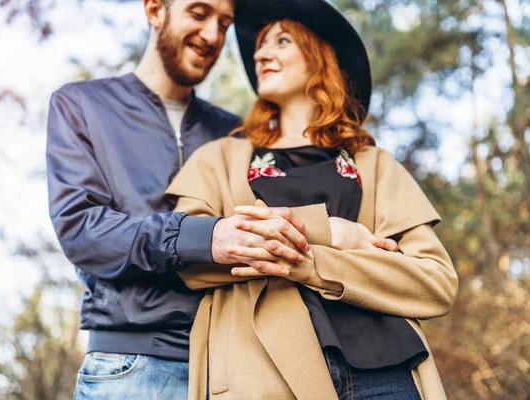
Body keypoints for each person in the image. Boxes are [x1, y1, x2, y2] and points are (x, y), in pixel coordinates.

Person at [46, 0, 374, 398]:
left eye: (224, 23)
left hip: (239, 368)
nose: (213, 37)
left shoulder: (237, 135)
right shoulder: (81, 105)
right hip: (131, 368)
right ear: (154, 10)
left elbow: (271, 230)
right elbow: (82, 231)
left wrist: (335, 233)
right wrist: (208, 237)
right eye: (199, 14)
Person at [165, 0, 459, 399]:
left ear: (320, 57)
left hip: (389, 371)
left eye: (282, 41)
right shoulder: (218, 159)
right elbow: (190, 258)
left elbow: (435, 282)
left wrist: (312, 265)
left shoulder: (373, 164)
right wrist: (333, 233)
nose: (261, 53)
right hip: (264, 373)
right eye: (260, 45)